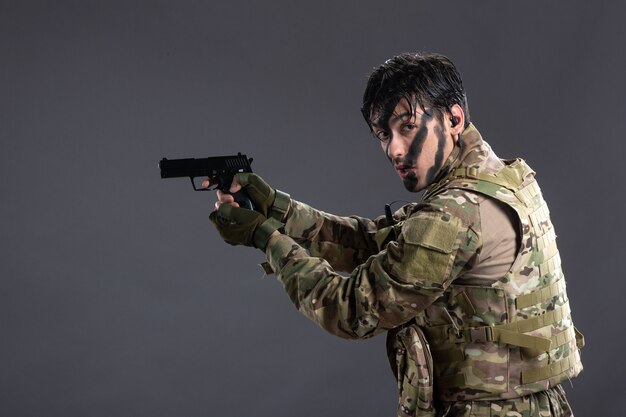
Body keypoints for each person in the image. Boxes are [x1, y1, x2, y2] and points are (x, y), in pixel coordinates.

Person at [207, 52, 584, 417]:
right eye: (383, 134)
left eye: (407, 126)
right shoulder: (502, 178)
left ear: (453, 118)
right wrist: (276, 208)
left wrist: (265, 238)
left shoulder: (453, 213)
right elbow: (377, 240)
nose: (395, 149)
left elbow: (348, 309)